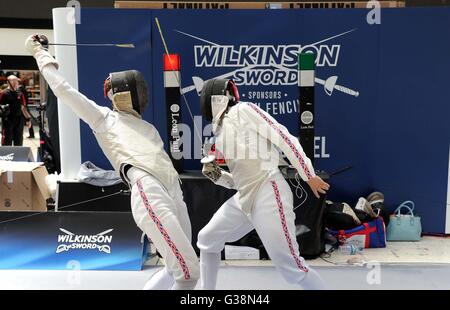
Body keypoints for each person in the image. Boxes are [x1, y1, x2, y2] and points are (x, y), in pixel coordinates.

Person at [25, 34, 199, 290]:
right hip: (149, 190)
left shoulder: (147, 127)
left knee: (177, 267)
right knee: (188, 273)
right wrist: (39, 52)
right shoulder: (103, 119)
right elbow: (62, 89)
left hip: (173, 190)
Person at [197, 79, 329, 290]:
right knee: (207, 239)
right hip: (245, 198)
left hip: (269, 190)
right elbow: (242, 181)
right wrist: (218, 175)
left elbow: (284, 137)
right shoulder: (219, 133)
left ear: (216, 97)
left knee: (292, 269)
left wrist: (308, 174)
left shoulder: (244, 110)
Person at [0, 75, 31, 146]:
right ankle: (6, 156)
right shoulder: (3, 93)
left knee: (19, 142)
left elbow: (23, 108)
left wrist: (28, 119)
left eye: (16, 81)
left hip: (19, 120)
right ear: (8, 82)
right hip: (8, 121)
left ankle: (18, 156)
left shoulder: (20, 93)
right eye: (13, 81)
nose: (15, 82)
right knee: (7, 142)